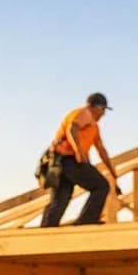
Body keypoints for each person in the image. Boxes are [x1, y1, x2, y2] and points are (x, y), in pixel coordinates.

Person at [40, 92, 122, 227]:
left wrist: (113, 173)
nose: (103, 115)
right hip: (68, 160)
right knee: (101, 186)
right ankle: (86, 222)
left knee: (61, 198)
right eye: (103, 110)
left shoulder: (93, 127)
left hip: (59, 163)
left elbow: (101, 150)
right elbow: (72, 128)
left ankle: (46, 231)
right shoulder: (84, 113)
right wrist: (78, 151)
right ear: (97, 107)